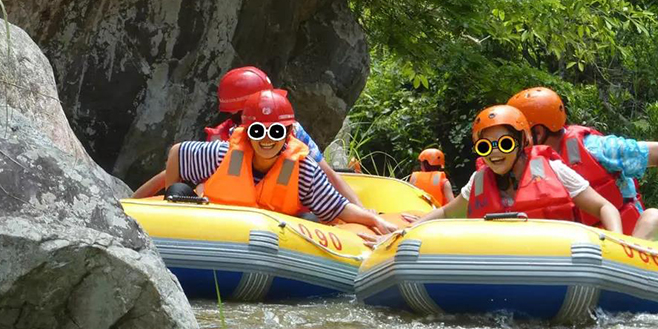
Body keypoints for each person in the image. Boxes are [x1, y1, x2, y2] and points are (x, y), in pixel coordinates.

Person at [163, 89, 397, 234]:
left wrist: (373, 219)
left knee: (310, 220)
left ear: (287, 133)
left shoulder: (303, 169)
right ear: (246, 133)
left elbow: (339, 208)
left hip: (276, 238)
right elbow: (177, 153)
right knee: (178, 190)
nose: (266, 139)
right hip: (215, 230)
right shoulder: (222, 154)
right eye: (257, 132)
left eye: (275, 132)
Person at [132, 66, 365, 207]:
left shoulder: (290, 131)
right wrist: (133, 204)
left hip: (282, 213)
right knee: (178, 193)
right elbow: (184, 169)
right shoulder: (226, 136)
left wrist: (361, 209)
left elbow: (327, 175)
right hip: (227, 215)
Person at [509, 87, 658, 240]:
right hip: (580, 247)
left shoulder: (595, 147)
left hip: (630, 237)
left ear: (537, 133)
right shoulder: (528, 166)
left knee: (654, 218)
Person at [410, 105, 622, 232]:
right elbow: (447, 211)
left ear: (521, 142)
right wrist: (409, 230)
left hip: (557, 260)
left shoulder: (555, 170)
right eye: (485, 147)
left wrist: (617, 245)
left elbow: (605, 207)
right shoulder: (479, 179)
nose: (494, 153)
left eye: (505, 144)